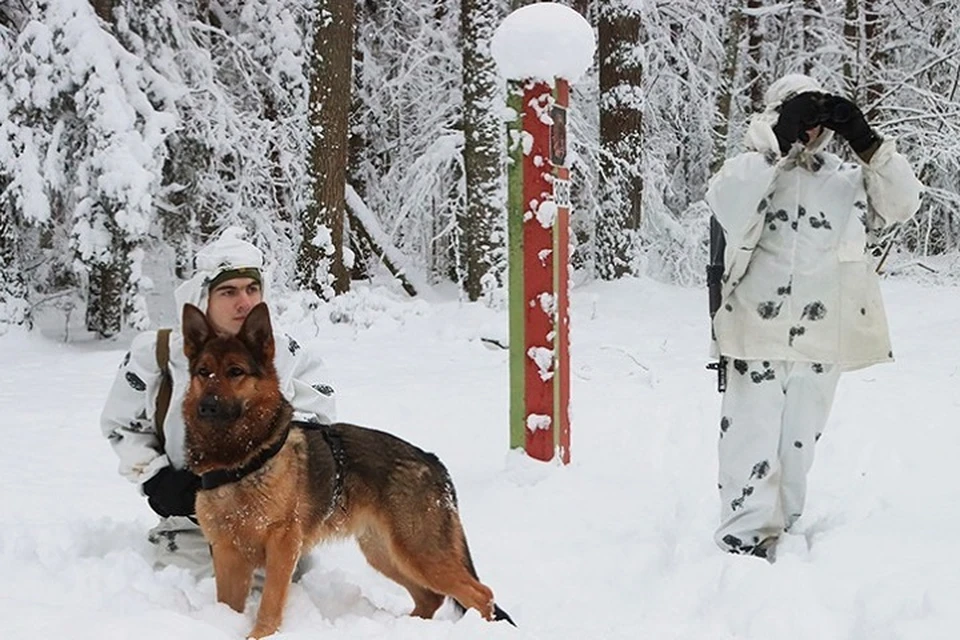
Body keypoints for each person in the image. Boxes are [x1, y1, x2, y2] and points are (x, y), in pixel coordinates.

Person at [705, 74, 922, 560]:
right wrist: (777, 140)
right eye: (799, 117)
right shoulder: (749, 171)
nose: (808, 132)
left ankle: (783, 523)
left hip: (823, 335)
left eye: (814, 121)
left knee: (798, 443)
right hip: (753, 331)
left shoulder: (844, 180)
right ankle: (743, 534)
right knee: (750, 437)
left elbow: (903, 203)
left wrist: (868, 143)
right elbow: (728, 204)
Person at [100, 227, 336, 577]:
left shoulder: (286, 354)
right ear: (203, 297)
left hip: (267, 525)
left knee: (270, 613)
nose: (245, 302)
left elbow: (320, 426)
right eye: (229, 291)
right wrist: (156, 478)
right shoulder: (159, 354)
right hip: (188, 526)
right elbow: (121, 426)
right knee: (182, 608)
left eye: (252, 289)